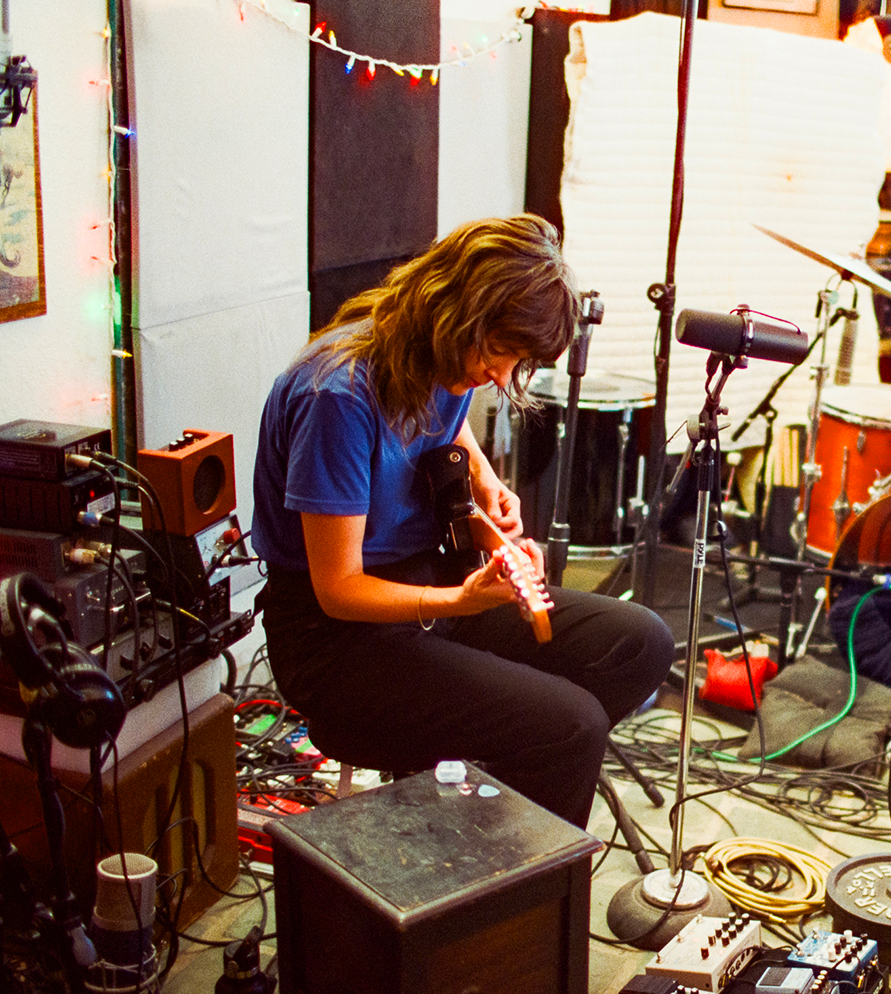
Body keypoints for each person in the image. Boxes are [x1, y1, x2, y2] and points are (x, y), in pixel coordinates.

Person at [250, 215, 673, 827]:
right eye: (501, 352)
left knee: (641, 643)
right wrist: (460, 601)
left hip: (432, 587)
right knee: (571, 725)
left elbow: (446, 433)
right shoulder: (336, 396)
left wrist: (486, 486)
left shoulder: (438, 354)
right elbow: (338, 589)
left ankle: (494, 799)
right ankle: (504, 851)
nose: (501, 377)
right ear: (459, 311)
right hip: (338, 642)